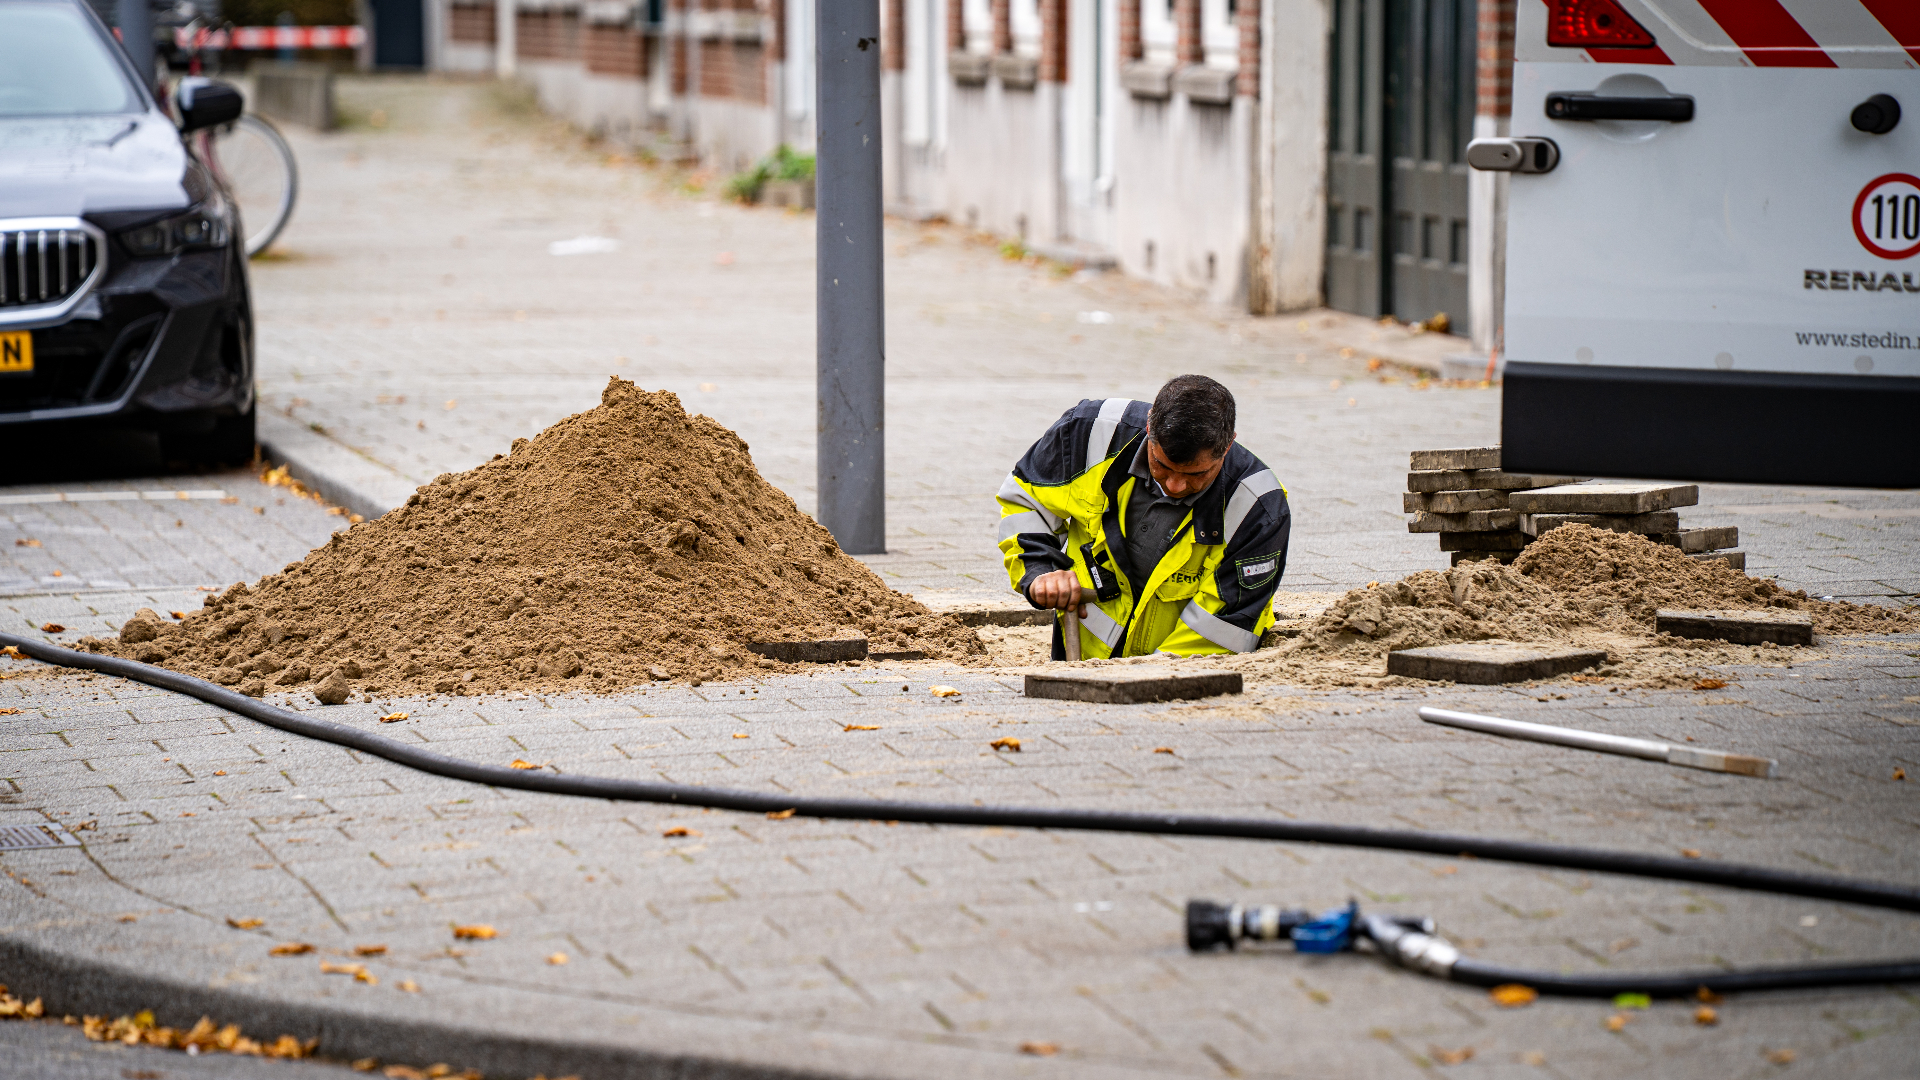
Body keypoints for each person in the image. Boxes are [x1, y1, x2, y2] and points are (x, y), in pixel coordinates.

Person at [996, 375, 1291, 660]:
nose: (1175, 485)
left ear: (1228, 446)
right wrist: (1039, 570)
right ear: (1150, 425)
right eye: (1161, 465)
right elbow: (1027, 500)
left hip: (1176, 691)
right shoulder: (1087, 434)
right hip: (1079, 660)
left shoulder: (1258, 511)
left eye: (1196, 474)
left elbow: (1221, 630)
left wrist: (1144, 681)